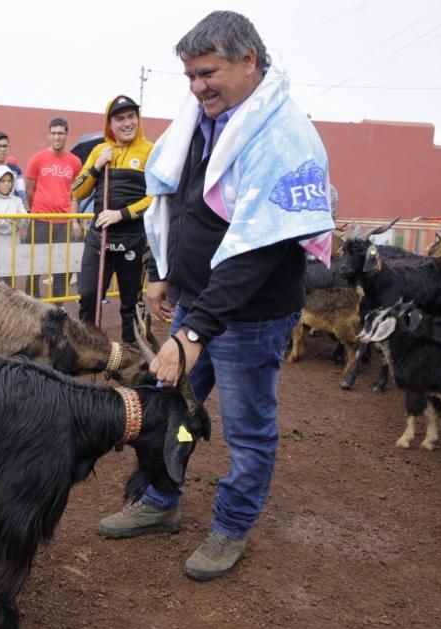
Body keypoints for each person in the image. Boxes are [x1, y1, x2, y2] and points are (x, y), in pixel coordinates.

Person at [98, 11, 335, 582]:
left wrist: (191, 333)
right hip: (197, 306)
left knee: (248, 430)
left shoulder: (283, 135)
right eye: (190, 76)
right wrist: (163, 272)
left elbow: (256, 252)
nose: (197, 86)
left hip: (247, 318)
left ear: (249, 60)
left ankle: (230, 526)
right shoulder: (202, 123)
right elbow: (179, 206)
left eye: (208, 72)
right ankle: (162, 499)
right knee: (172, 410)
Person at [71, 95, 154, 342]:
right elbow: (77, 190)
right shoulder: (100, 149)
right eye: (120, 119)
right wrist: (96, 166)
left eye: (131, 117)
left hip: (133, 239)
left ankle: (132, 355)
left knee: (131, 302)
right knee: (88, 296)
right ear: (110, 123)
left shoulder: (150, 151)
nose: (127, 123)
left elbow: (157, 198)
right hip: (99, 238)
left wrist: (121, 214)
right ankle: (87, 350)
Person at [25, 117, 83, 297]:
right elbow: (29, 190)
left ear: (66, 135)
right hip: (40, 221)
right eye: (54, 133)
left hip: (63, 223)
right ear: (49, 135)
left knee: (62, 269)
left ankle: (57, 306)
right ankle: (32, 304)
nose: (57, 137)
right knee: (33, 268)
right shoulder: (37, 159)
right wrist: (38, 211)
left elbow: (75, 195)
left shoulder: (75, 162)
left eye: (61, 133)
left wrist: (74, 220)